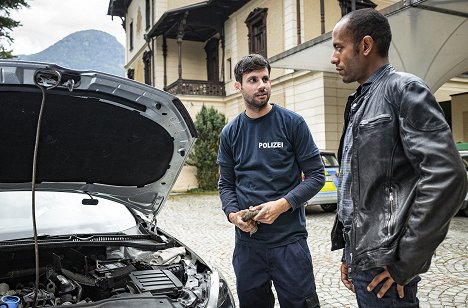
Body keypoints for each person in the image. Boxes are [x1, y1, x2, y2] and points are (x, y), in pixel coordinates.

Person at [330, 8, 467, 307]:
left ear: (365, 46)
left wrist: (406, 263)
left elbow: (448, 177)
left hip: (388, 266)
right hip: (364, 259)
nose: (334, 58)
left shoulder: (404, 89)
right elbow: (359, 189)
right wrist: (349, 253)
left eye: (339, 47)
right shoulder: (360, 100)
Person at [217, 53, 325, 308]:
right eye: (252, 80)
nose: (261, 85)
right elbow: (226, 184)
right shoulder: (230, 132)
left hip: (289, 243)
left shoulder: (292, 123)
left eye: (265, 78)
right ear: (238, 86)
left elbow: (317, 175)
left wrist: (283, 204)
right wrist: (233, 215)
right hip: (248, 247)